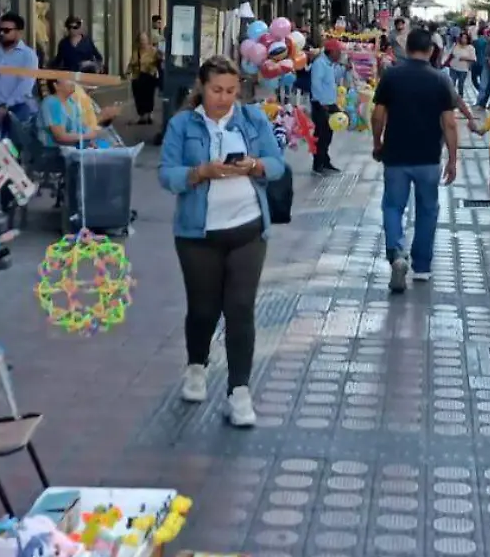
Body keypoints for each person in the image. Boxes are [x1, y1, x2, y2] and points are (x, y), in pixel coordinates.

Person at [158, 55, 287, 429]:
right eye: (217, 90)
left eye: (231, 91)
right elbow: (167, 175)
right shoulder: (183, 125)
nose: (224, 98)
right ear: (202, 87)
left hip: (248, 228)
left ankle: (239, 392)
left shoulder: (252, 119)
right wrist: (200, 172)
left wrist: (256, 166)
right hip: (198, 234)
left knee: (240, 308)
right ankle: (197, 365)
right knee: (203, 309)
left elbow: (277, 163)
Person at [372, 27, 462, 293]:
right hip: (428, 158)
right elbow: (449, 123)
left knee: (392, 206)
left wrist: (377, 143)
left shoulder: (391, 76)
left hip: (396, 156)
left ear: (407, 48)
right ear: (432, 50)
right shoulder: (440, 80)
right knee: (427, 210)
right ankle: (422, 267)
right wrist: (453, 159)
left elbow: (378, 115)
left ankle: (397, 254)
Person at [0, 13, 42, 139]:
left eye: (7, 30)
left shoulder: (28, 56)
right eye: (0, 30)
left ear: (19, 32)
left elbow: (25, 85)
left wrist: (6, 106)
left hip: (18, 108)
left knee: (15, 147)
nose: (2, 33)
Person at [41, 75, 119, 147]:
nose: (72, 82)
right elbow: (60, 137)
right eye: (67, 80)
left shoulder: (71, 102)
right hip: (59, 152)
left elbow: (80, 127)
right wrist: (87, 137)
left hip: (79, 147)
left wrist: (91, 143)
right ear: (56, 86)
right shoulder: (52, 103)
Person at [307, 39, 346, 175]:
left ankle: (325, 161)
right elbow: (315, 84)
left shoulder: (330, 64)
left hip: (330, 103)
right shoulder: (320, 64)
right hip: (321, 104)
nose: (340, 54)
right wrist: (322, 103)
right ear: (332, 51)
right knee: (321, 135)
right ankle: (317, 165)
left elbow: (334, 79)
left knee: (328, 135)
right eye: (338, 51)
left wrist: (345, 68)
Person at [128, 31, 162, 124]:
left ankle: (149, 114)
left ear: (148, 40)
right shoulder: (136, 52)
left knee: (148, 95)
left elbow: (160, 60)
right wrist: (128, 71)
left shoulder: (153, 51)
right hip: (137, 77)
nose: (143, 42)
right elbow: (131, 64)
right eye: (141, 40)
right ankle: (142, 115)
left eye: (144, 39)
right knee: (138, 96)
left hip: (149, 76)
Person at [448, 32, 477, 102]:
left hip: (463, 69)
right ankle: (450, 98)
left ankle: (460, 98)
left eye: (465, 38)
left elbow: (474, 59)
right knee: (452, 83)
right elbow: (450, 54)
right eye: (462, 37)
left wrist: (465, 58)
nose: (463, 39)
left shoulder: (471, 48)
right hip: (453, 67)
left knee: (460, 84)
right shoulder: (455, 45)